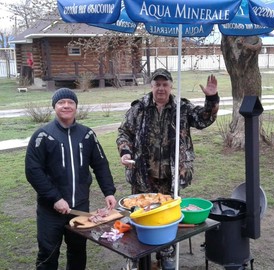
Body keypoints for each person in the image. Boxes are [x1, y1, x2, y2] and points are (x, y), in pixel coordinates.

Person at [116, 68, 219, 269]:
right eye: (157, 84)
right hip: (143, 177)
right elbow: (124, 132)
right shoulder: (139, 108)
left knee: (166, 219)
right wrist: (125, 152)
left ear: (171, 86)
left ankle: (167, 256)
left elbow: (204, 119)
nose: (161, 88)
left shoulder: (182, 107)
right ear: (151, 86)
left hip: (171, 177)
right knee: (140, 216)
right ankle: (138, 258)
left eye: (165, 84)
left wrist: (212, 98)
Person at [25, 88, 117, 270]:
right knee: (48, 253)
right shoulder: (43, 136)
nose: (66, 106)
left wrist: (109, 192)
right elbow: (33, 171)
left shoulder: (87, 135)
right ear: (54, 107)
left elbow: (100, 165)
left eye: (70, 102)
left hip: (79, 208)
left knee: (77, 252)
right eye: (61, 102)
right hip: (50, 209)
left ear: (76, 107)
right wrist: (55, 198)